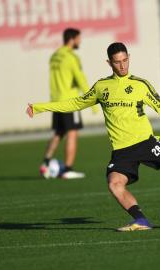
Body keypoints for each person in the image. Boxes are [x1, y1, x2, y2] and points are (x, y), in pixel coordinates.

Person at [27, 42, 160, 231]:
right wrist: (39, 108)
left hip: (146, 144)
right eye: (117, 62)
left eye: (125, 60)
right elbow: (75, 103)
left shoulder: (140, 85)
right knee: (114, 184)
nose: (122, 65)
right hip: (121, 151)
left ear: (129, 58)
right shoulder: (101, 87)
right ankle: (140, 220)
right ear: (109, 63)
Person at [39, 28, 99, 180]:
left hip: (56, 100)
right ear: (72, 39)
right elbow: (81, 79)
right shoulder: (72, 57)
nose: (80, 42)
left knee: (59, 132)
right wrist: (92, 102)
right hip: (70, 101)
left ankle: (45, 162)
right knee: (72, 133)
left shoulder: (55, 56)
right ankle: (67, 169)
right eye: (78, 39)